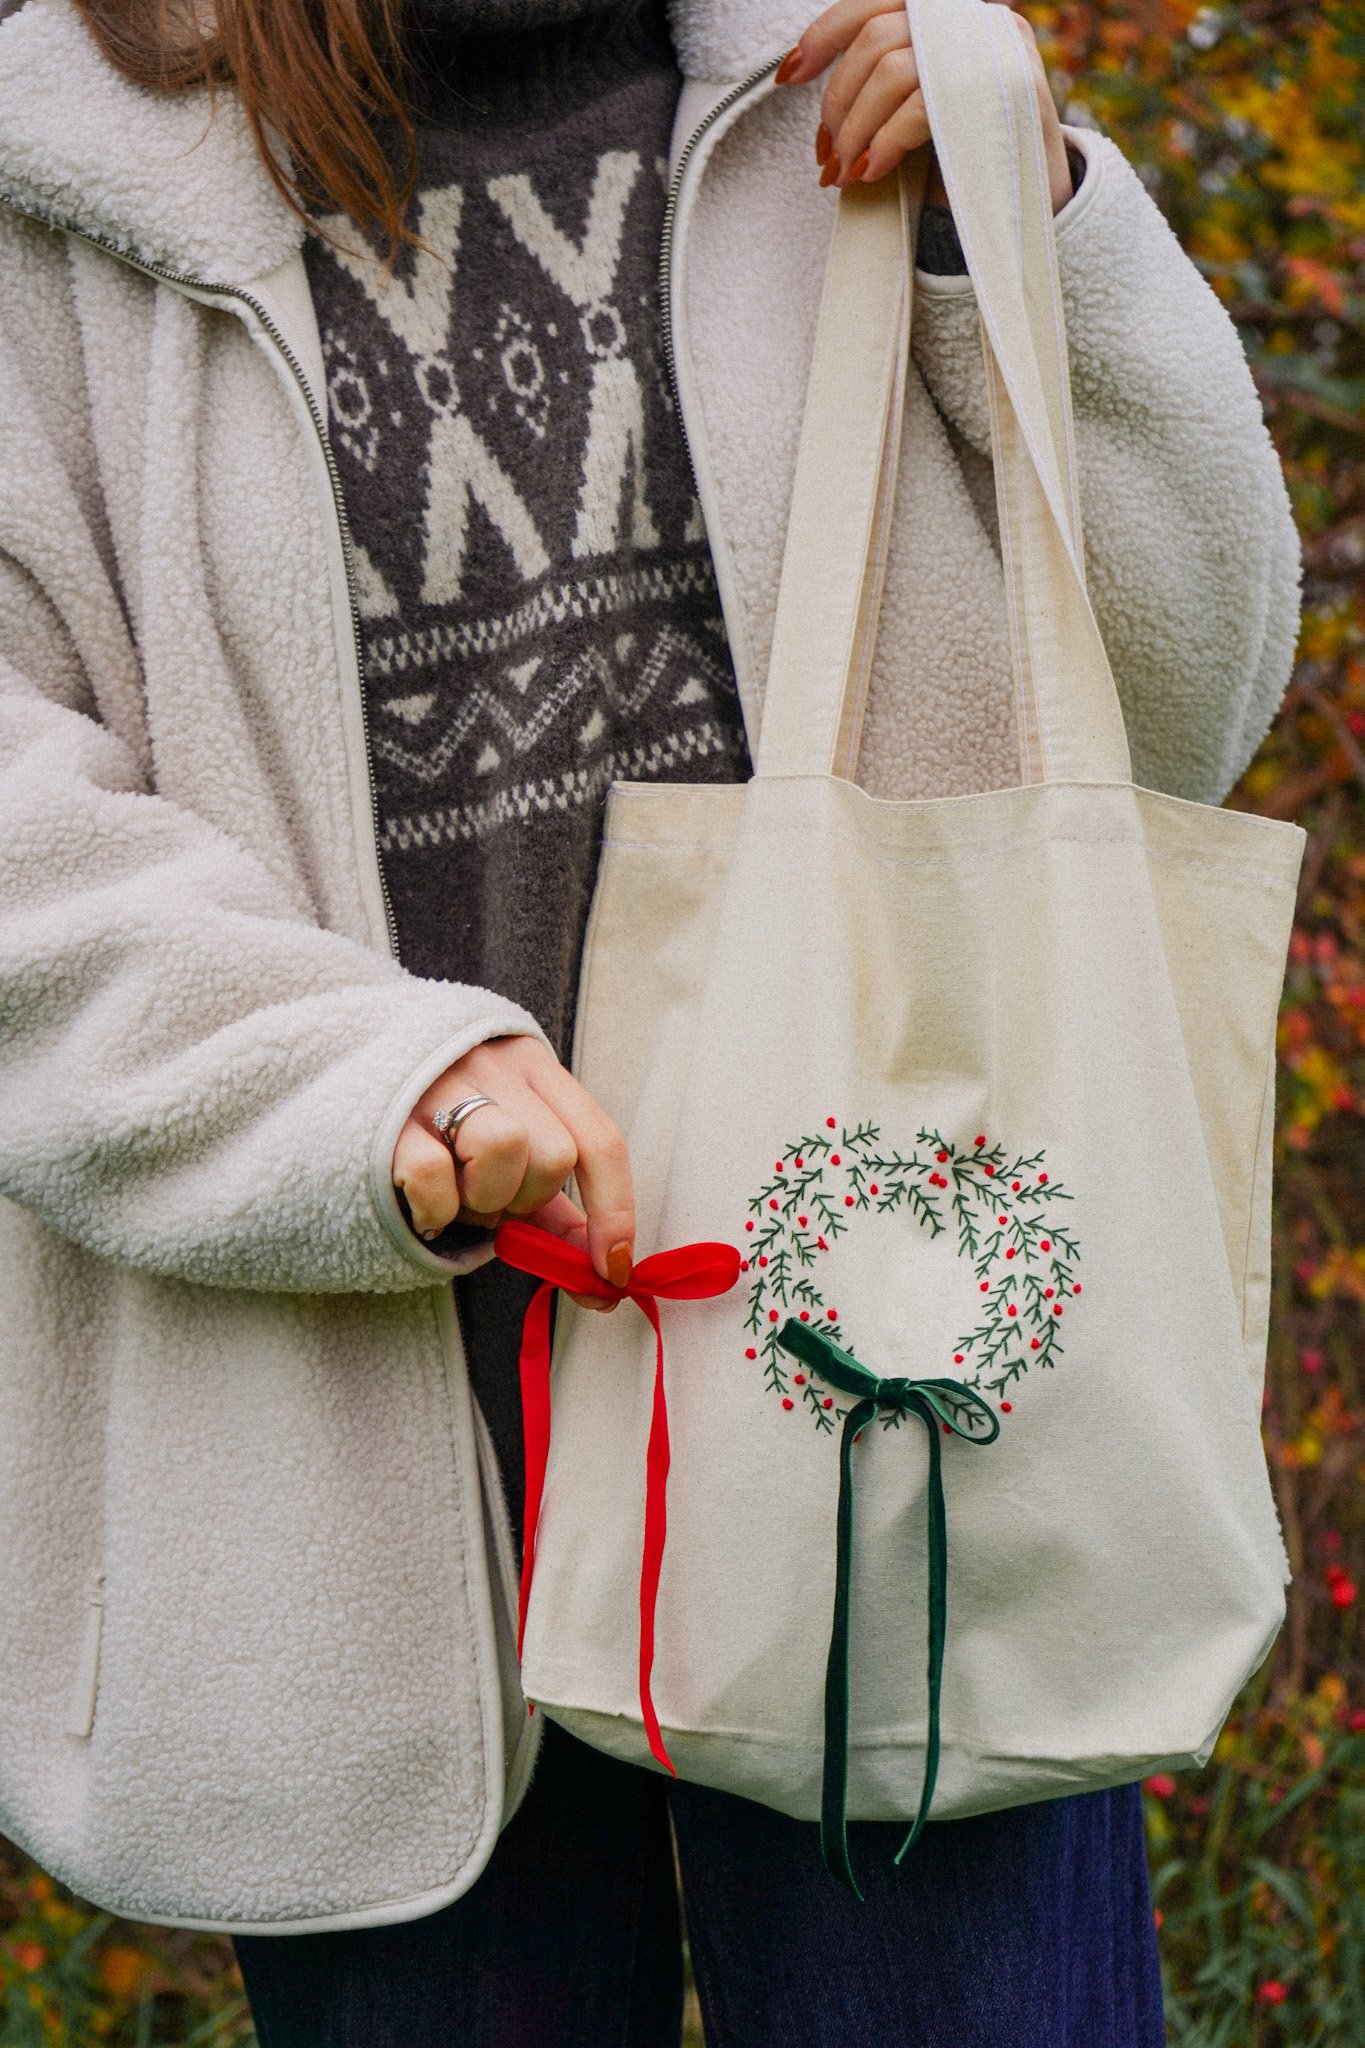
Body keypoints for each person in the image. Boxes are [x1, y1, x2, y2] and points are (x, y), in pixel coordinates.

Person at [0, 0, 1297, 2039]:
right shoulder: (59, 175)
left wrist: (1028, 239)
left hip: (877, 1339)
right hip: (360, 1424)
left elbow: (1170, 711)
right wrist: (358, 1080)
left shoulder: (840, 60)